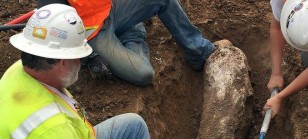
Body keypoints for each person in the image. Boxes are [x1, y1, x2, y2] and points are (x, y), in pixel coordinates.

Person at [0, 4, 200, 139]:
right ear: (61, 60)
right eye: (79, 56)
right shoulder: (48, 127)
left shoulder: (21, 71)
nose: (81, 62)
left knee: (134, 127)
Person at [37, 0, 231, 86]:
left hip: (111, 10)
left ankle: (199, 52)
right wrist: (88, 56)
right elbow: (51, 25)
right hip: (91, 33)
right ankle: (133, 33)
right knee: (144, 74)